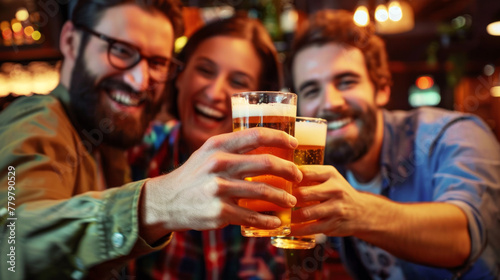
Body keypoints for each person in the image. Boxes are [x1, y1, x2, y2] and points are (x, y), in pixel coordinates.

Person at [0, 1, 302, 279]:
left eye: (157, 62)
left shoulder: (110, 145)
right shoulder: (39, 119)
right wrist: (159, 203)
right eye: (120, 50)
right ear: (69, 41)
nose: (139, 81)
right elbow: (8, 245)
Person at [285, 9, 500, 279]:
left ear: (382, 88)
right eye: (311, 90)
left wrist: (357, 211)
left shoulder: (453, 135)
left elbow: (463, 237)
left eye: (346, 81)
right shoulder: (320, 163)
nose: (330, 103)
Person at [127, 15, 289, 279]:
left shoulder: (266, 177)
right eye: (205, 70)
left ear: (257, 104)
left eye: (238, 82)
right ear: (178, 76)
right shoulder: (135, 151)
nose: (214, 93)